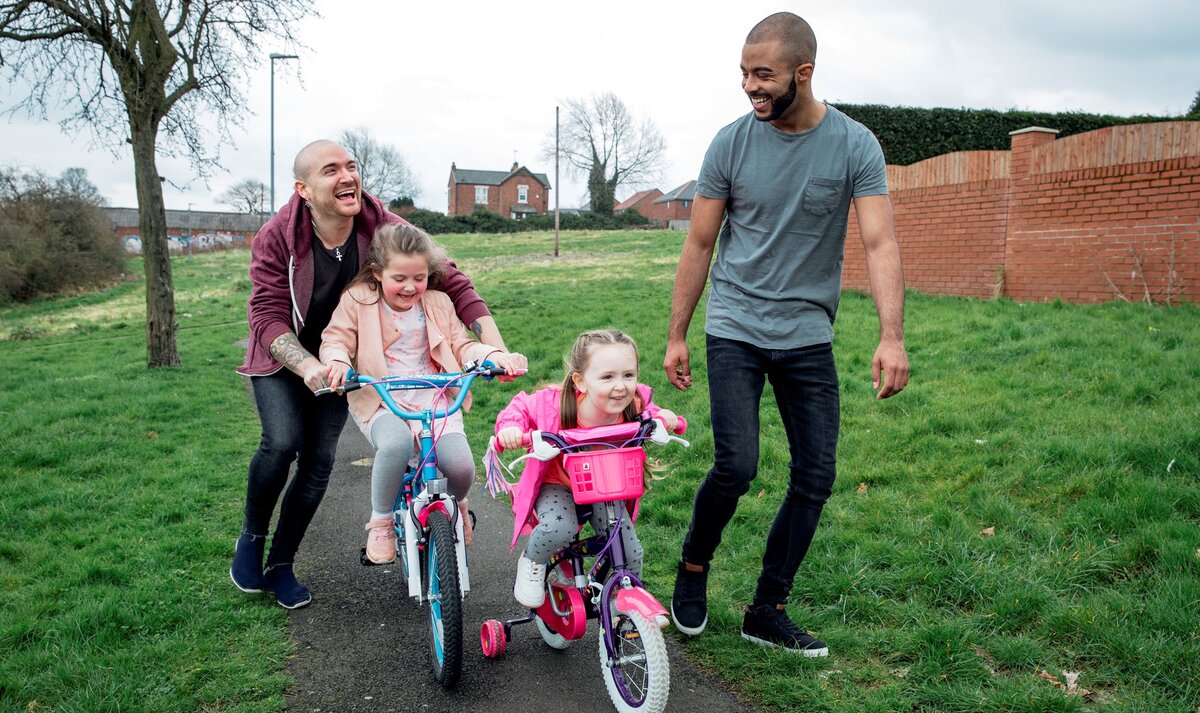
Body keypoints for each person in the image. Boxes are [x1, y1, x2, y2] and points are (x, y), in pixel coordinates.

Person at [662, 12, 910, 656]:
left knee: (816, 476)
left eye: (763, 74)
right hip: (736, 324)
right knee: (736, 465)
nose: (750, 86)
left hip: (806, 332)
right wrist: (677, 334)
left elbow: (880, 243)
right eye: (744, 73)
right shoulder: (730, 144)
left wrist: (892, 336)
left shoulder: (856, 145)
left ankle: (767, 607)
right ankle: (692, 569)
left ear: (804, 73)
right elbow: (699, 242)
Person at [232, 139, 506, 609]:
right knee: (281, 443)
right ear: (303, 189)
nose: (347, 176)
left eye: (351, 166)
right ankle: (253, 537)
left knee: (319, 462)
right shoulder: (277, 236)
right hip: (292, 354)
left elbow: (450, 279)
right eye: (330, 170)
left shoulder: (382, 226)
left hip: (356, 357)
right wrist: (311, 365)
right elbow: (266, 315)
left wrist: (493, 346)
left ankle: (280, 564)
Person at [320, 223, 527, 563]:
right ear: (377, 272)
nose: (409, 286)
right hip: (382, 395)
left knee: (459, 467)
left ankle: (456, 505)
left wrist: (490, 356)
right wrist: (338, 362)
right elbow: (336, 340)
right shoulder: (358, 301)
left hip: (434, 395)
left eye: (418, 278)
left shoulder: (437, 303)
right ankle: (382, 522)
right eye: (399, 278)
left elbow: (462, 345)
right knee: (396, 444)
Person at [495, 330, 679, 608]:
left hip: (605, 483)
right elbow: (520, 408)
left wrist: (666, 419)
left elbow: (652, 412)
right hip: (558, 482)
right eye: (607, 377)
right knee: (560, 528)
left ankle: (625, 608)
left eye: (628, 375)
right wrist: (511, 429)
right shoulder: (555, 404)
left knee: (630, 551)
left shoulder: (633, 404)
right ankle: (532, 560)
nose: (620, 386)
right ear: (580, 381)